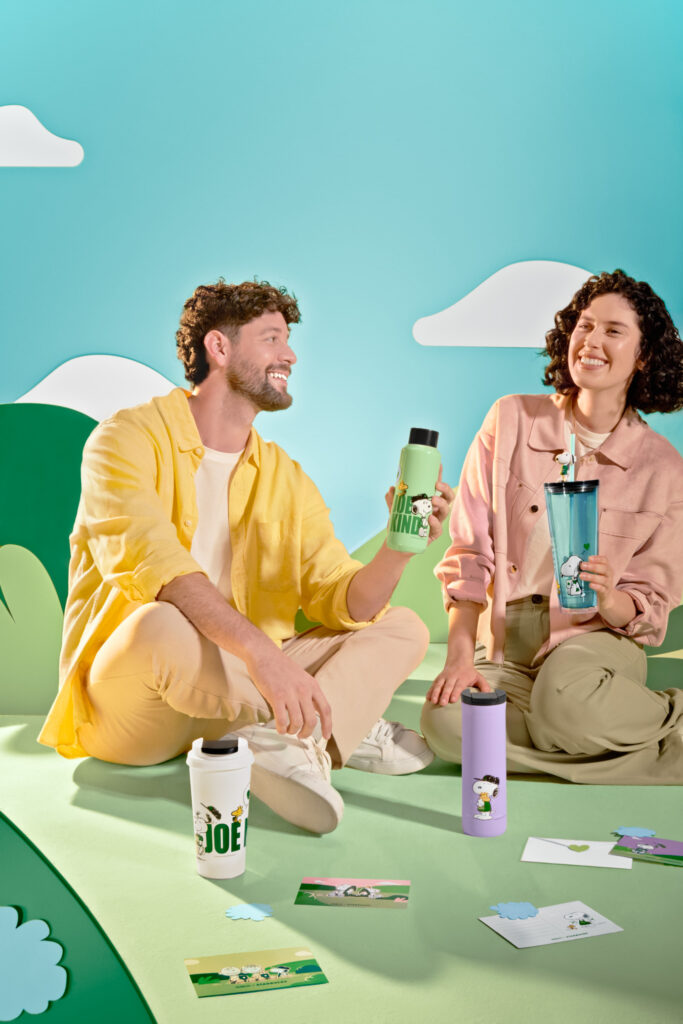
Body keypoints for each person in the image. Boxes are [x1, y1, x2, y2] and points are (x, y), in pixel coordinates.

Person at [39, 279, 454, 833]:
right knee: (160, 623)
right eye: (272, 338)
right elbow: (158, 565)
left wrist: (401, 550)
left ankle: (285, 737)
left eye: (287, 339)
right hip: (135, 702)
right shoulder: (125, 439)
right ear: (220, 347)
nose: (290, 354)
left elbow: (339, 596)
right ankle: (331, 723)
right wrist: (268, 658)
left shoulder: (285, 476)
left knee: (403, 627)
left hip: (231, 691)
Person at [421, 269, 683, 784]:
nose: (591, 341)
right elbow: (469, 556)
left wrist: (609, 598)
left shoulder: (663, 468)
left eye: (614, 331)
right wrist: (458, 660)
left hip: (596, 645)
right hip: (509, 648)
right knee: (447, 722)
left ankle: (639, 720)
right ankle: (632, 744)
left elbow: (650, 608)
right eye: (585, 325)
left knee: (564, 693)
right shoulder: (510, 420)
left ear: (644, 355)